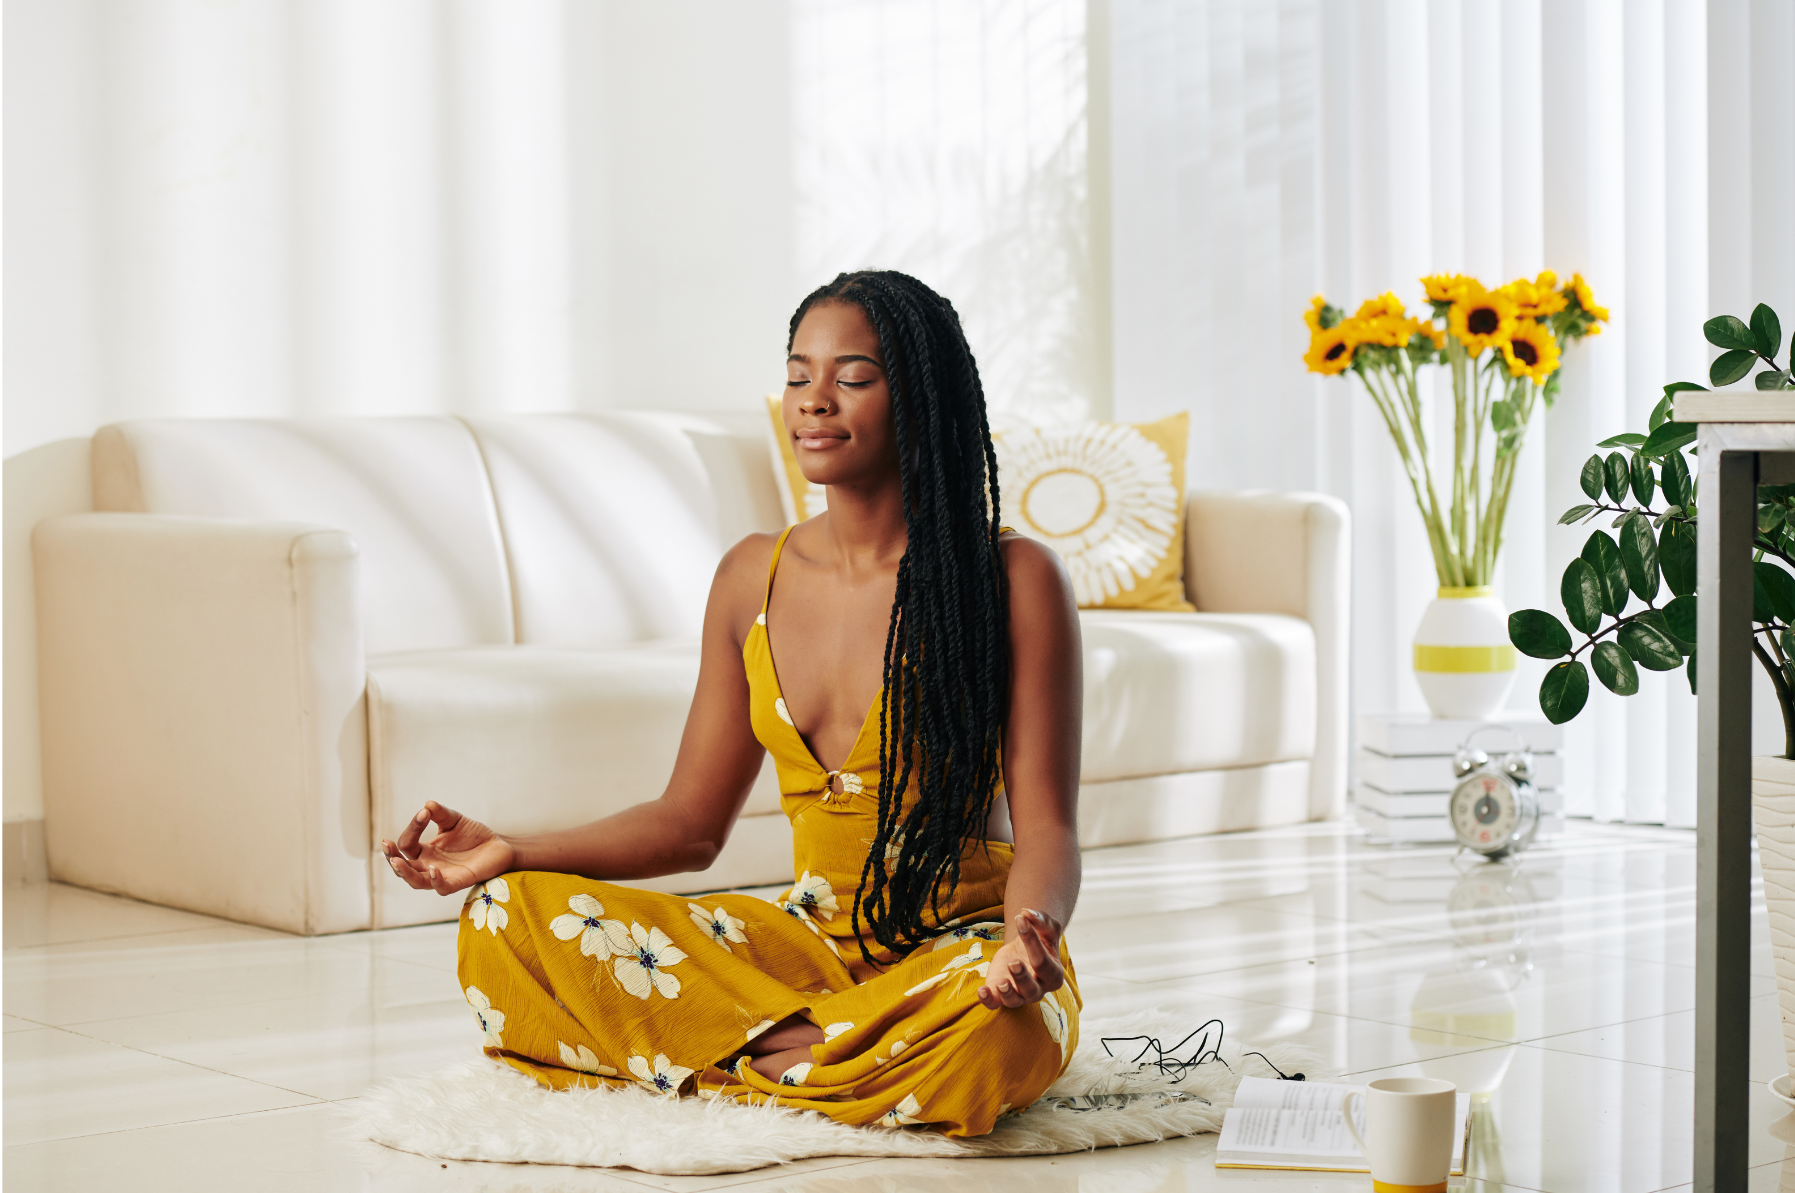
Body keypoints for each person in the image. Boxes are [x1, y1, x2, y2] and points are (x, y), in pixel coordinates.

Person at [381, 270, 1083, 1137]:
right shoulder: (751, 573)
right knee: (504, 917)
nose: (813, 402)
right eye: (797, 376)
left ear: (922, 396)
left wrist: (1028, 936)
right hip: (800, 948)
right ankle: (828, 1060)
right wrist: (514, 848)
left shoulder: (1012, 579)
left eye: (852, 377)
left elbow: (1047, 823)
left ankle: (745, 1054)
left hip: (956, 952)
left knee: (999, 1034)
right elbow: (688, 823)